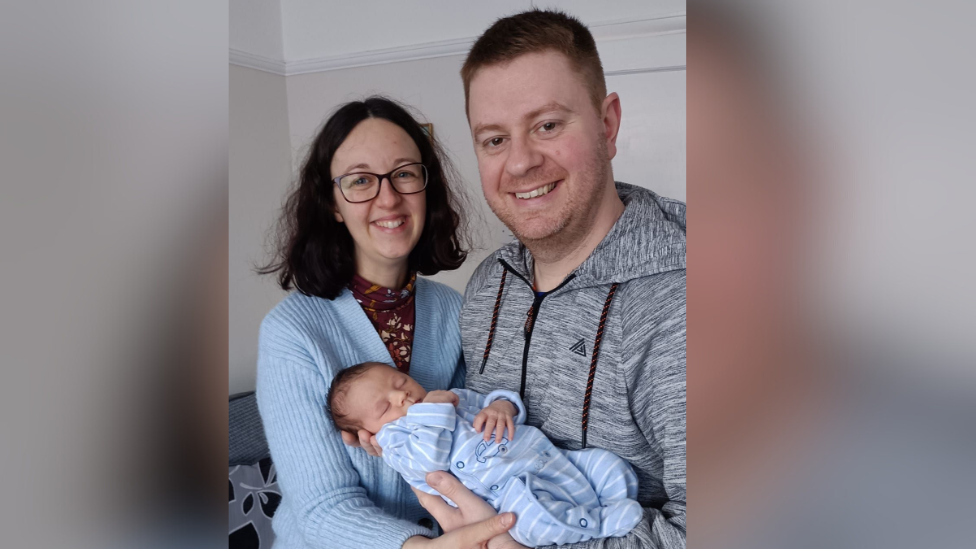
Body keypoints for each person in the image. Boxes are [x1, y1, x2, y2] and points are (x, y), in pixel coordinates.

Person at [409, 10, 687, 549]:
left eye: (547, 125)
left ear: (607, 125)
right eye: (494, 140)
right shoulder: (489, 285)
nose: (519, 164)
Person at [256, 96, 516, 549]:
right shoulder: (293, 332)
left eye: (404, 174)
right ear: (333, 204)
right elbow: (322, 507)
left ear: (426, 186)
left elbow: (475, 443)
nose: (389, 197)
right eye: (360, 180)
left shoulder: (457, 311)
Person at [327, 361, 644, 547]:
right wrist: (431, 412)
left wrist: (502, 405)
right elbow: (429, 465)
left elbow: (492, 401)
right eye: (384, 407)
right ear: (371, 433)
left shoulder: (451, 396)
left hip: (547, 458)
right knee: (530, 523)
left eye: (401, 381)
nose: (401, 395)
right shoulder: (397, 445)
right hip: (511, 495)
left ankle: (611, 500)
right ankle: (599, 523)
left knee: (608, 465)